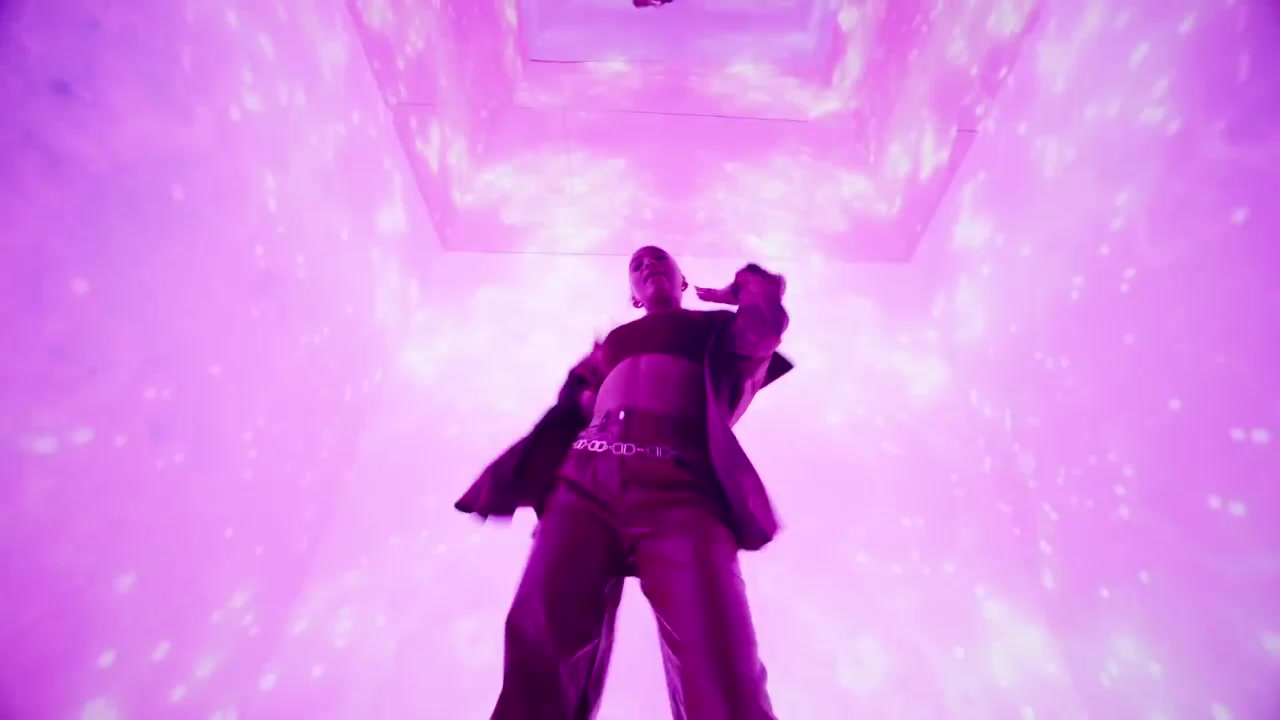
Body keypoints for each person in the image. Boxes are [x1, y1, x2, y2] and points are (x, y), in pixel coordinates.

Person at [455, 246, 793, 720]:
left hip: (684, 488)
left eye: (658, 259)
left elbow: (763, 330)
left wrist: (748, 287)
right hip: (585, 482)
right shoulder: (611, 342)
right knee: (540, 650)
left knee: (722, 669)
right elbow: (570, 408)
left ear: (682, 280)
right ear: (633, 296)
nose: (648, 264)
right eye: (637, 264)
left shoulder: (715, 328)